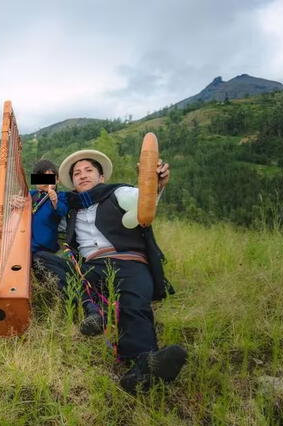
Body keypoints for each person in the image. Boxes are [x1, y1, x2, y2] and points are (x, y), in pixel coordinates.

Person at [43, 149, 187, 394]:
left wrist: (155, 183)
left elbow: (143, 198)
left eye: (88, 170)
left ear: (101, 177)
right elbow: (44, 219)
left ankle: (143, 367)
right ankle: (93, 310)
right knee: (43, 260)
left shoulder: (118, 193)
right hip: (90, 267)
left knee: (134, 305)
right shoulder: (70, 208)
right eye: (77, 173)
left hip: (129, 262)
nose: (82, 175)